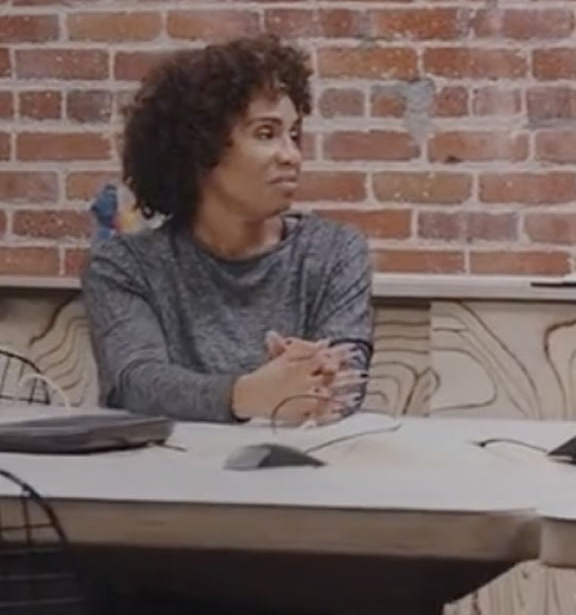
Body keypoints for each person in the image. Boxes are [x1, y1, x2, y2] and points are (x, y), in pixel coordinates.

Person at [82, 34, 371, 425]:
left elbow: (348, 379)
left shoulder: (335, 252)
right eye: (266, 134)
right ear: (202, 149)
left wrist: (318, 373)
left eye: (294, 135)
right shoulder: (124, 266)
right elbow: (135, 383)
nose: (292, 156)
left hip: (298, 461)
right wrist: (250, 395)